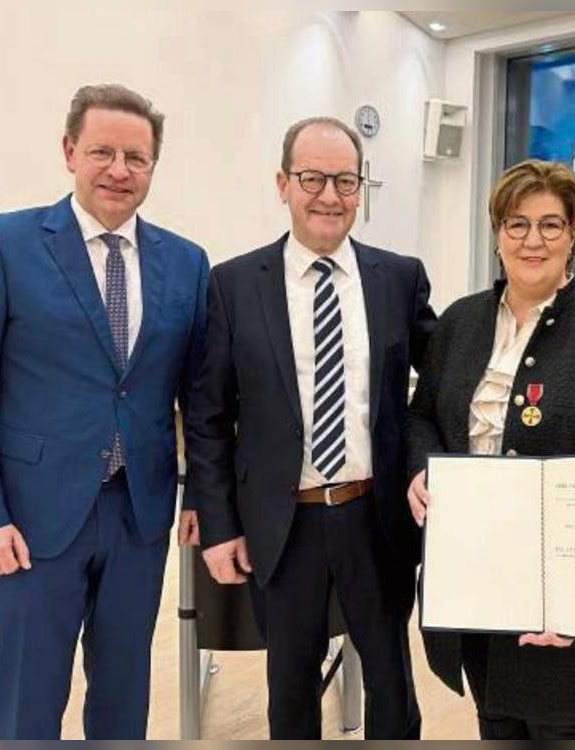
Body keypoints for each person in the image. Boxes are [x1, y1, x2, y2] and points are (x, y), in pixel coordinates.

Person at [0, 84, 209, 739]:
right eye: (102, 151)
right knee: (27, 708)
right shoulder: (1, 244)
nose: (119, 170)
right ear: (68, 151)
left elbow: (199, 399)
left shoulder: (186, 263)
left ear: (152, 166)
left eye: (136, 157)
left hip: (137, 517)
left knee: (123, 703)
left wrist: (204, 495)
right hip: (26, 523)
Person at [185, 116, 435, 740]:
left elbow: (443, 382)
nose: (330, 195)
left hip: (374, 519)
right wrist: (218, 526)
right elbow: (209, 417)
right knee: (290, 691)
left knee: (391, 685)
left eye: (346, 181)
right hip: (283, 524)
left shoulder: (398, 278)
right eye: (313, 178)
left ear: (361, 189)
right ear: (283, 183)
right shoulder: (234, 283)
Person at [406, 159, 575, 740]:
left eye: (551, 225)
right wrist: (419, 470)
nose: (533, 240)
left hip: (560, 591)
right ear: (497, 234)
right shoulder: (460, 323)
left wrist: (574, 600)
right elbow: (422, 418)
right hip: (473, 573)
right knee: (495, 717)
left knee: (558, 726)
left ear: (574, 235)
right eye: (517, 224)